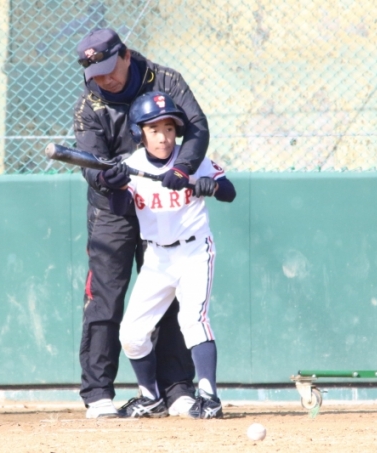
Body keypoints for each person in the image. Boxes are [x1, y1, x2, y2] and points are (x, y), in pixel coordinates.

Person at [73, 28, 210, 418]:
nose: (104, 80)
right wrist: (106, 177)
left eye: (108, 69)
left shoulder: (166, 81)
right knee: (105, 297)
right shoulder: (89, 106)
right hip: (113, 208)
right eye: (95, 74)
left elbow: (197, 128)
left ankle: (177, 390)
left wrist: (182, 169)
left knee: (169, 293)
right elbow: (90, 162)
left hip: (163, 205)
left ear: (126, 56)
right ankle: (99, 394)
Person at [109, 91, 236, 418]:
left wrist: (209, 185)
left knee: (193, 321)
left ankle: (209, 398)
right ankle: (150, 398)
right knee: (131, 334)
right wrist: (117, 186)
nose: (163, 137)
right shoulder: (133, 166)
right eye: (153, 129)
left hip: (195, 251)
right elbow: (121, 208)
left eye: (168, 128)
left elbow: (229, 192)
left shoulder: (190, 159)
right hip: (157, 258)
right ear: (139, 133)